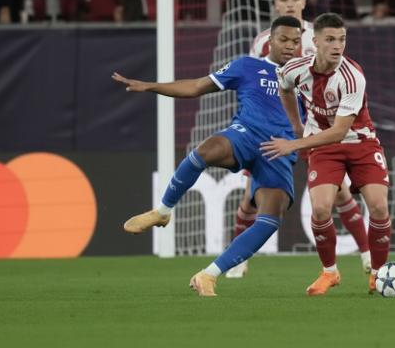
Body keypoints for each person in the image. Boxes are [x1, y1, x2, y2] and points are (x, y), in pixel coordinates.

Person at [113, 16, 303, 297]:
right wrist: (151, 86)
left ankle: (208, 275)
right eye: (283, 39)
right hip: (246, 134)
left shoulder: (306, 76)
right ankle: (162, 212)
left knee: (269, 220)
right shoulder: (247, 66)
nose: (289, 46)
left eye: (295, 41)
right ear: (270, 41)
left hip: (280, 149)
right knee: (204, 151)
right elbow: (196, 86)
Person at [227, 0, 371, 279]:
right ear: (276, 5)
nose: (290, 4)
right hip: (274, 127)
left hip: (315, 127)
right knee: (251, 197)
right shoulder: (262, 41)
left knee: (341, 193)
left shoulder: (320, 38)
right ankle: (238, 259)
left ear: (304, 2)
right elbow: (257, 82)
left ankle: (367, 256)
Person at [262, 13, 391, 296]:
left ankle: (378, 274)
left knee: (379, 207)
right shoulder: (294, 69)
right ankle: (329, 272)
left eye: (342, 39)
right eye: (330, 40)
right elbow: (285, 89)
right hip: (323, 147)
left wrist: (295, 144)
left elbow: (339, 131)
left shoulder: (352, 77)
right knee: (320, 209)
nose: (337, 46)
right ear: (315, 42)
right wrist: (297, 127)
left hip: (360, 143)